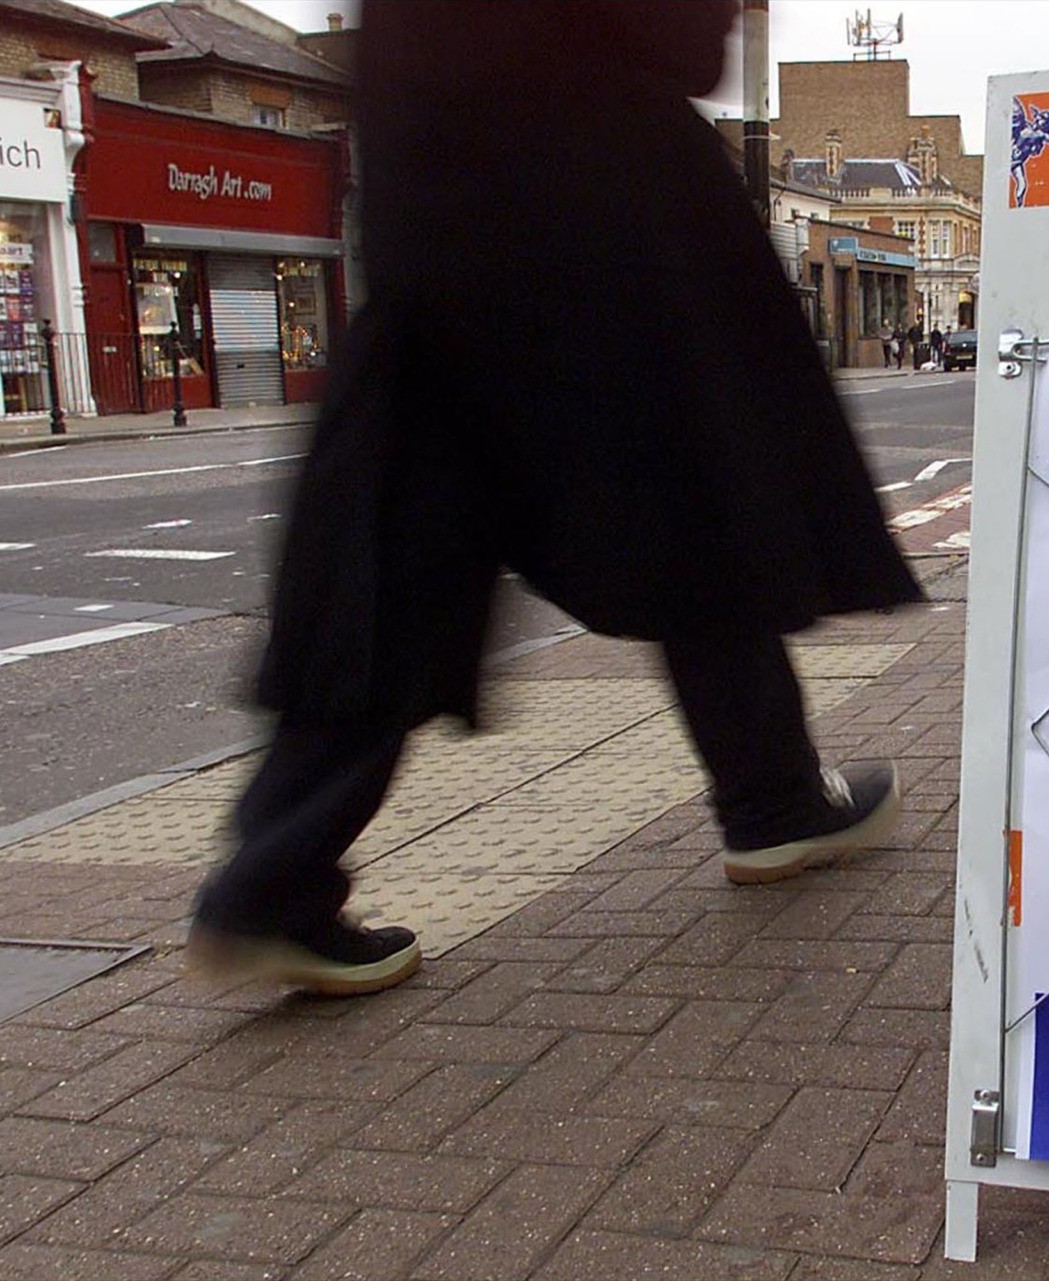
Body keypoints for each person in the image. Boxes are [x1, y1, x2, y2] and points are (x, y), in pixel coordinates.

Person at [185, 0, 922, 998]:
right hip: (603, 195)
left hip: (430, 192)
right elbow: (679, 39)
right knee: (694, 489)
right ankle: (773, 799)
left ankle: (271, 881)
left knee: (404, 540)